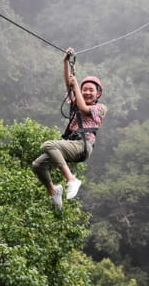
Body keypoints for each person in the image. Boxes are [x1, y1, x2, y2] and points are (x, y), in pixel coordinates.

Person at [31, 47, 107, 211]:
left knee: (48, 145)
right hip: (70, 145)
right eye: (84, 89)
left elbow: (84, 108)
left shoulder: (101, 108)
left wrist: (77, 85)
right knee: (38, 165)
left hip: (82, 146)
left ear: (98, 94)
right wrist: (66, 61)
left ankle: (71, 179)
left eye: (90, 90)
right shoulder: (75, 101)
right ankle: (53, 191)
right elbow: (68, 83)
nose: (87, 92)